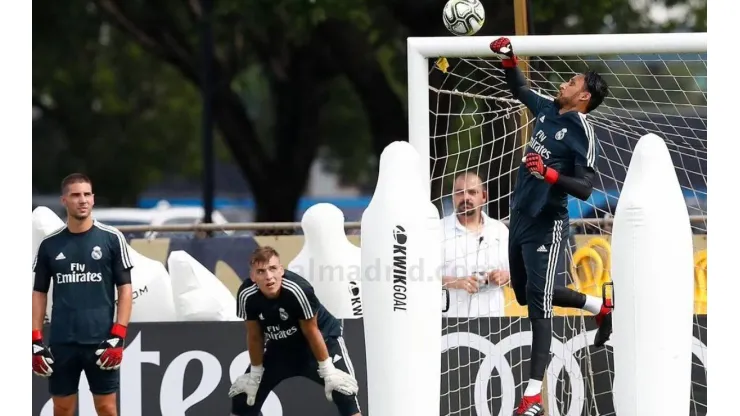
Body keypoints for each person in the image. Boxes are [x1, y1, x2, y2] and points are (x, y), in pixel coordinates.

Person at [489, 37, 614, 416]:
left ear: (584, 98)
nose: (564, 84)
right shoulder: (548, 109)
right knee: (527, 294)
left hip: (547, 221)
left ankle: (530, 396)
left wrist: (548, 173)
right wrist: (509, 60)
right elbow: (520, 88)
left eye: (573, 83)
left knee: (538, 308)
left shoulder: (581, 130)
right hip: (520, 216)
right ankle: (600, 307)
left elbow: (586, 186)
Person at [32, 173, 134, 416]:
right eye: (76, 195)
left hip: (101, 342)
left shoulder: (111, 238)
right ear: (64, 200)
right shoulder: (50, 245)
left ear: (93, 199)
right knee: (63, 408)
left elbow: (125, 289)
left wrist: (118, 335)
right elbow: (39, 292)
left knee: (107, 408)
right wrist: (35, 340)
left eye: (87, 194)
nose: (83, 200)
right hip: (62, 342)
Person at [229, 246, 361, 416]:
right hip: (280, 348)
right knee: (243, 398)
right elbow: (255, 336)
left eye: (273, 269)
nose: (269, 277)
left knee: (344, 393)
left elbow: (311, 331)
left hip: (321, 342)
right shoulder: (246, 295)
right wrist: (254, 374)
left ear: (281, 270)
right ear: (253, 276)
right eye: (261, 271)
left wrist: (328, 370)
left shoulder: (298, 289)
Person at [441, 171, 511, 317]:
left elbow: (521, 276)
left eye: (472, 192)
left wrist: (506, 276)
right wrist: (456, 282)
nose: (465, 197)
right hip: (450, 325)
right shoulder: (437, 231)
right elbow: (419, 279)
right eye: (459, 193)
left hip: (493, 323)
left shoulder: (500, 231)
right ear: (453, 196)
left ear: (484, 196)